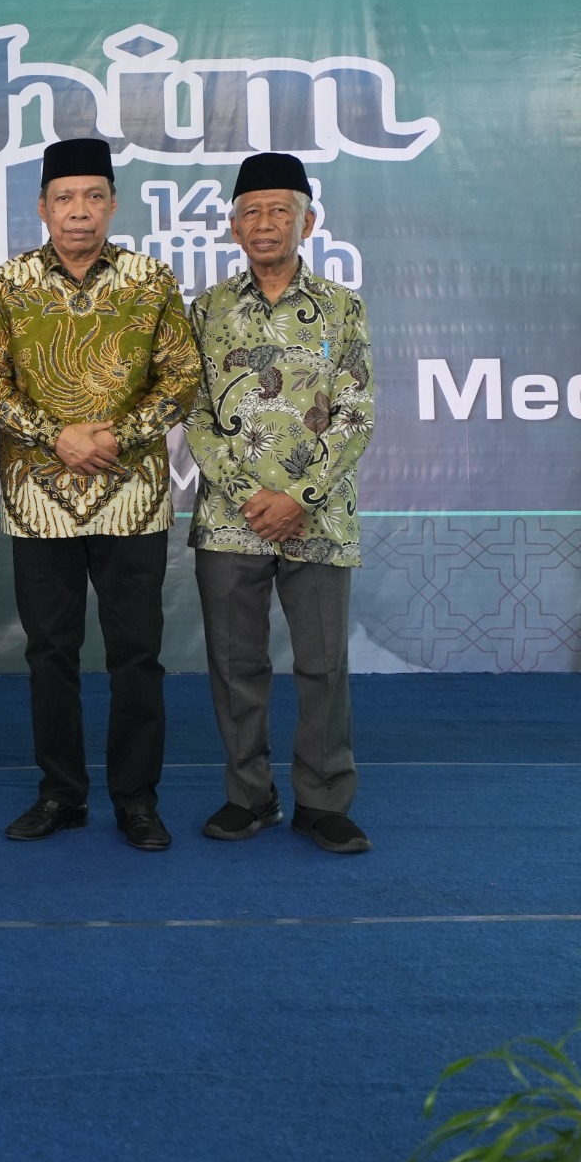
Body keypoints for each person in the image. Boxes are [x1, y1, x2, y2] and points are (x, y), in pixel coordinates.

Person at [0, 136, 198, 850]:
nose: (80, 213)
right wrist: (56, 436)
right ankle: (61, 794)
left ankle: (136, 799)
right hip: (40, 498)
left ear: (112, 205)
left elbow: (182, 378)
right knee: (51, 653)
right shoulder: (9, 284)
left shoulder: (150, 280)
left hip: (132, 495)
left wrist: (119, 435)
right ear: (42, 207)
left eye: (93, 197)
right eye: (65, 199)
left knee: (137, 654)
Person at [187, 152, 376, 855]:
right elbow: (198, 415)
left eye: (281, 210)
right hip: (229, 522)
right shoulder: (206, 310)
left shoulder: (341, 307)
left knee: (323, 665)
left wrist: (297, 495)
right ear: (234, 226)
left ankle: (324, 801)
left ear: (309, 221)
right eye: (253, 212)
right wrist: (249, 496)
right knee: (238, 667)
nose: (266, 224)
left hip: (320, 520)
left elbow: (356, 411)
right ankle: (249, 796)